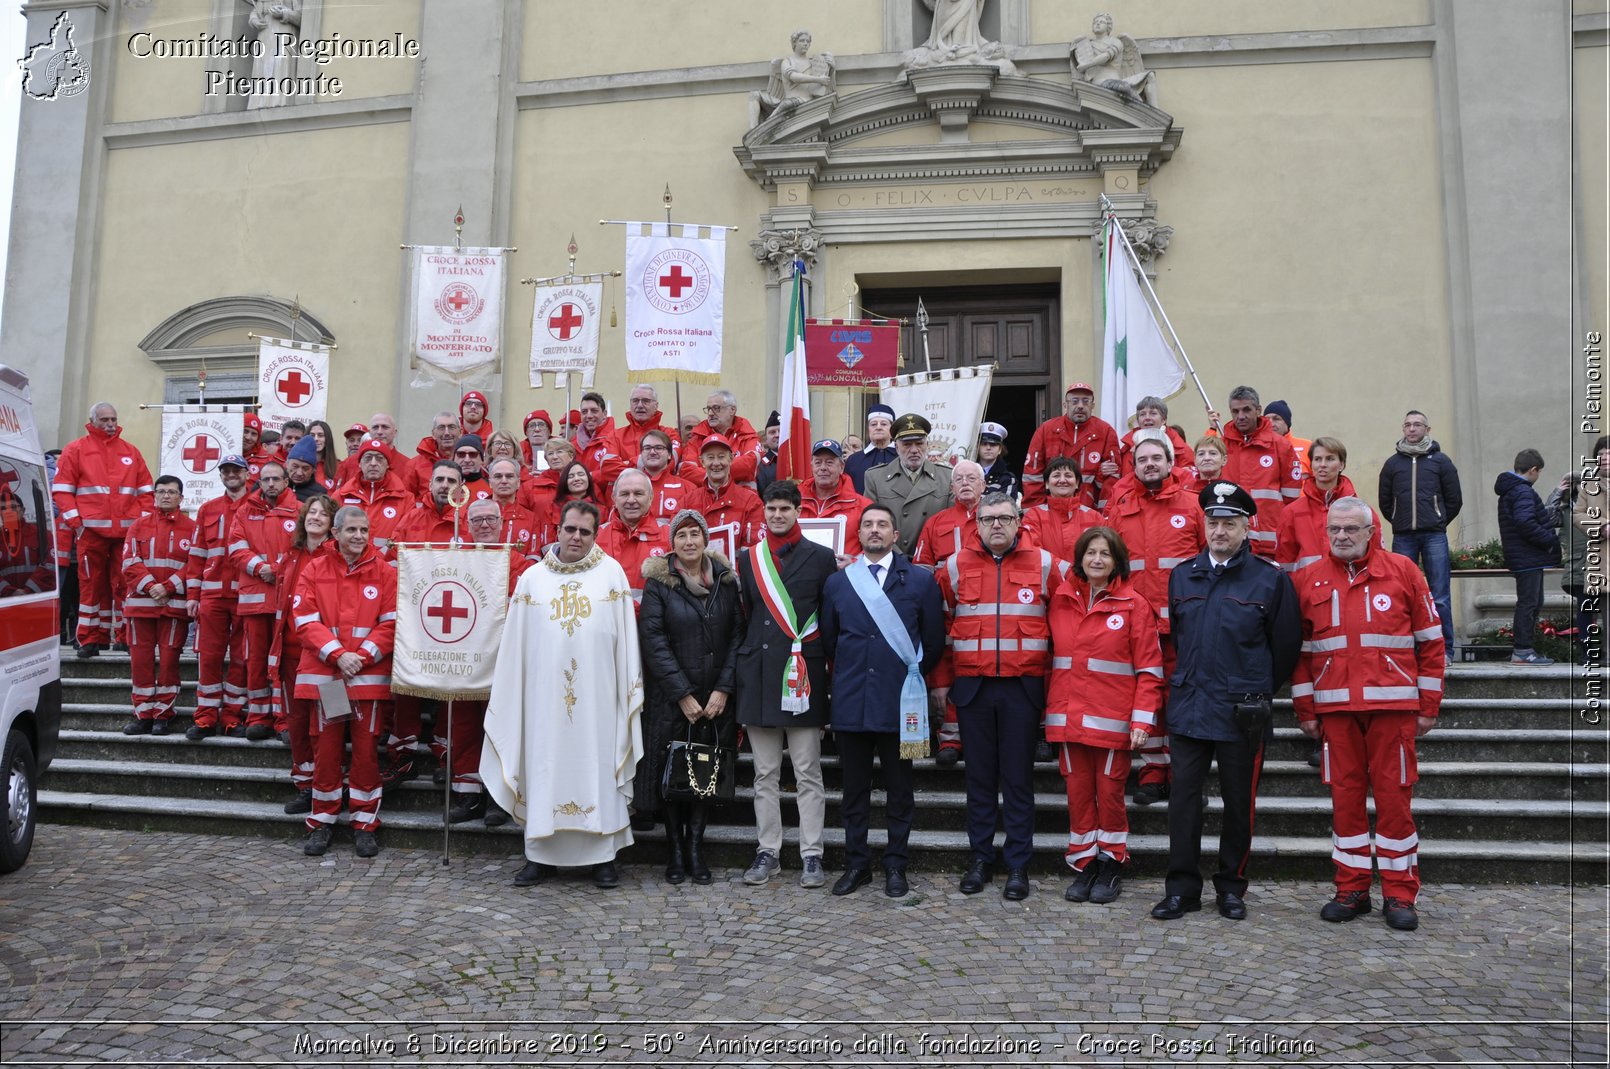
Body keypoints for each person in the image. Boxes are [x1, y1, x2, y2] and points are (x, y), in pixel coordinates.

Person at [1290, 497, 1443, 931]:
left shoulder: (1403, 571)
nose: (1341, 536)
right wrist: (1306, 708)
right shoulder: (1309, 579)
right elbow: (1299, 653)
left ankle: (1399, 895)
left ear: (1371, 532)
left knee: (1395, 802)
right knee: (1345, 802)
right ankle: (1351, 888)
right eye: (1334, 530)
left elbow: (1431, 643)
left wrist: (1428, 706)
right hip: (1335, 710)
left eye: (1351, 530)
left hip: (1393, 708)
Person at [1151, 481, 1299, 923]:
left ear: (1245, 526)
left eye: (1229, 523)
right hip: (1190, 707)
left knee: (1239, 805)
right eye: (1213, 522)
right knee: (1183, 804)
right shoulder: (1183, 575)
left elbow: (1286, 648)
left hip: (1242, 713)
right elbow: (1178, 638)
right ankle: (1182, 889)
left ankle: (1232, 888)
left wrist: (1252, 687)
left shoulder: (1269, 580)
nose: (1220, 531)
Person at [482, 499, 646, 889]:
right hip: (542, 702)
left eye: (585, 532)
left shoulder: (612, 575)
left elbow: (625, 642)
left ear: (595, 534)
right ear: (557, 529)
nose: (576, 537)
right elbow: (515, 647)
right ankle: (540, 856)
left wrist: (628, 691)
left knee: (599, 768)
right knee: (544, 768)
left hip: (599, 702)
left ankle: (603, 858)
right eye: (570, 529)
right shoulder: (532, 579)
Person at [933, 490, 1068, 901]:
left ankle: (1017, 865)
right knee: (978, 779)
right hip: (972, 689)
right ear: (975, 523)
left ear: (1019, 522)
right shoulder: (953, 567)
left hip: (1022, 690)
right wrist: (941, 682)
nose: (996, 525)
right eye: (988, 518)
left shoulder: (1047, 565)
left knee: (1017, 780)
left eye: (1004, 518)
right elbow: (940, 629)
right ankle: (979, 858)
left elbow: (1064, 632)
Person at [819, 505, 944, 898]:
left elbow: (935, 643)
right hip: (852, 701)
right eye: (868, 525)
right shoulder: (838, 584)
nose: (875, 531)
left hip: (900, 703)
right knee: (853, 791)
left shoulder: (921, 582)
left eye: (883, 525)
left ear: (896, 535)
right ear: (860, 533)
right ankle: (857, 864)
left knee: (900, 789)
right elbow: (829, 639)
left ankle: (895, 865)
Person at [1047, 526, 1164, 905]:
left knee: (1109, 796)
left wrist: (1142, 721)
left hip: (1112, 722)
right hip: (1067, 720)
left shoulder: (1134, 605)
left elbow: (1149, 669)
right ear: (1080, 558)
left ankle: (1111, 862)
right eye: (1090, 553)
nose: (1097, 560)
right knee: (1078, 795)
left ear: (1117, 561)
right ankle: (1084, 864)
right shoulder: (1060, 600)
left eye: (1105, 554)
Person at [735, 480, 837, 889]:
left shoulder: (822, 557)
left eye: (785, 509)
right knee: (764, 774)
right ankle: (769, 851)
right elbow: (745, 614)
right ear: (764, 511)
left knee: (809, 771)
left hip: (803, 675)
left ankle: (812, 855)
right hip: (758, 674)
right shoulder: (748, 559)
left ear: (798, 511)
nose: (777, 515)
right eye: (771, 509)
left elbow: (829, 621)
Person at [637, 509, 743, 884]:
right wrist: (681, 692)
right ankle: (675, 852)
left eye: (694, 534)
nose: (688, 542)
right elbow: (654, 642)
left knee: (704, 774)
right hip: (673, 699)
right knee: (672, 778)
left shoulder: (726, 582)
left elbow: (736, 638)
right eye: (680, 535)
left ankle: (696, 850)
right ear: (672, 543)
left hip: (715, 698)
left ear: (705, 539)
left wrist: (723, 689)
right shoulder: (659, 584)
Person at [1103, 435, 1205, 806]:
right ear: (1134, 465)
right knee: (1149, 700)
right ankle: (1153, 772)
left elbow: (1207, 563)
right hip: (1139, 624)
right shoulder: (1121, 506)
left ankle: (1185, 776)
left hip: (1185, 625)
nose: (1149, 464)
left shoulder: (1194, 506)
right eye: (1142, 459)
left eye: (1156, 458)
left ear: (1170, 462)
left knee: (1183, 700)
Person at [295, 505, 397, 859]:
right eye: (351, 530)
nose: (358, 536)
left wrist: (361, 656)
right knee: (327, 749)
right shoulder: (315, 568)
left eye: (364, 531)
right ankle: (322, 821)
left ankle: (365, 823)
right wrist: (339, 655)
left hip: (365, 678)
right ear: (335, 533)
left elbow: (391, 623)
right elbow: (305, 620)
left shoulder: (384, 572)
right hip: (331, 679)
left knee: (367, 752)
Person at [442, 498, 535, 823]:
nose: (484, 525)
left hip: (503, 661)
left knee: (501, 729)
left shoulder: (519, 563)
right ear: (466, 526)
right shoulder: (455, 561)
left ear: (501, 523)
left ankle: (499, 795)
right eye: (477, 519)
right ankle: (468, 795)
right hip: (464, 659)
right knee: (465, 727)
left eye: (490, 519)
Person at [51, 401, 154, 656]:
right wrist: (78, 525)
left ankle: (125, 636)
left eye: (113, 420)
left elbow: (146, 492)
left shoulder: (131, 451)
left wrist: (140, 526)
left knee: (125, 585)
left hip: (125, 534)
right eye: (104, 420)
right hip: (91, 533)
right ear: (93, 421)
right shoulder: (75, 450)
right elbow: (62, 491)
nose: (110, 425)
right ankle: (89, 639)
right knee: (90, 586)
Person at [268, 494, 336, 814]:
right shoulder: (292, 553)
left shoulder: (337, 554)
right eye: (311, 512)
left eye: (323, 513)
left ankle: (331, 782)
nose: (316, 517)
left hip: (330, 657)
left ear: (332, 522)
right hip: (292, 652)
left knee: (333, 720)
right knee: (296, 723)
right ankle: (305, 785)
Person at [1379, 410, 1463, 655]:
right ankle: (1405, 648)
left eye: (1417, 425)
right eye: (1407, 425)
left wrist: (1438, 520)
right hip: (1403, 536)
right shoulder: (1392, 464)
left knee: (1440, 595)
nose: (1412, 429)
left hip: (1434, 535)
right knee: (1402, 593)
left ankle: (1445, 650)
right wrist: (1398, 520)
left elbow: (1454, 499)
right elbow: (1385, 501)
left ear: (1428, 429)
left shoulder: (1441, 462)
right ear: (1403, 429)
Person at [119, 475, 197, 735]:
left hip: (173, 607)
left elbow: (194, 565)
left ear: (181, 497)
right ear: (154, 495)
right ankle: (143, 715)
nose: (166, 496)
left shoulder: (192, 528)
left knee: (168, 662)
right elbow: (129, 562)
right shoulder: (138, 526)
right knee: (140, 662)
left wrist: (169, 586)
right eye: (161, 491)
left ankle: (163, 715)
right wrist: (152, 586)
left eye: (171, 492)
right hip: (141, 606)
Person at [227, 461, 300, 739]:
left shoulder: (300, 510)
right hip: (256, 600)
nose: (270, 484)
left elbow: (304, 549)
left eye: (276, 479)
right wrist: (261, 569)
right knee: (256, 660)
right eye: (266, 479)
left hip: (287, 601)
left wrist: (278, 571)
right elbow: (236, 548)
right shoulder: (245, 512)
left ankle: (283, 719)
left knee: (284, 662)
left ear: (286, 482)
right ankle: (259, 716)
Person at [185, 454, 252, 739]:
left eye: (236, 470)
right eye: (226, 471)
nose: (230, 475)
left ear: (246, 474)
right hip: (212, 595)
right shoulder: (208, 509)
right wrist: (192, 594)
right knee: (209, 657)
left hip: (246, 595)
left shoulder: (257, 507)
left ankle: (232, 717)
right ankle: (205, 717)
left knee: (241, 658)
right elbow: (197, 553)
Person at [1218, 386, 1302, 559]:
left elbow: (1291, 499)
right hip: (1231, 541)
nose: (1240, 416)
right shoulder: (1221, 446)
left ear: (1258, 410)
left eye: (1246, 410)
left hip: (1271, 542)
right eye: (1235, 411)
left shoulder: (1280, 445)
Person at [1276, 437, 1383, 573]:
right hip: (1307, 590)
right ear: (1312, 464)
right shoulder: (1292, 512)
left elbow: (1378, 556)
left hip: (1351, 588)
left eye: (1330, 459)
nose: (1323, 464)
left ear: (1342, 465)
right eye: (1318, 459)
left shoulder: (1363, 512)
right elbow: (1285, 563)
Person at [1496, 448, 1561, 666]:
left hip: (1523, 557)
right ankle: (1523, 650)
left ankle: (1524, 649)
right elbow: (1525, 522)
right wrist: (1549, 540)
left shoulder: (1510, 489)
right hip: (1527, 557)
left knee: (1532, 601)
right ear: (1533, 470)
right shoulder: (1522, 491)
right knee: (1529, 603)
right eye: (1539, 472)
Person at [864, 413, 954, 557]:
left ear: (927, 445)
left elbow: (951, 524)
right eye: (906, 444)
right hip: (891, 559)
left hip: (932, 560)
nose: (913, 450)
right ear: (896, 447)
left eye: (919, 443)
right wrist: (898, 557)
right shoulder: (875, 477)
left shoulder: (947, 477)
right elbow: (871, 523)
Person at [1021, 382, 1119, 508]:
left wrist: (1105, 514)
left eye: (1085, 401)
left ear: (1092, 405)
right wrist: (1035, 511)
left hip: (1089, 511)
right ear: (1065, 405)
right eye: (1074, 401)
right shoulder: (1046, 430)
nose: (1080, 406)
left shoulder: (1105, 432)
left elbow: (1112, 480)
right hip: (1052, 509)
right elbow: (1032, 476)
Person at [597, 469, 671, 605]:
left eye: (638, 493)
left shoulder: (669, 535)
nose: (631, 500)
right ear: (614, 498)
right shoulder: (596, 535)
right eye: (624, 494)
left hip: (651, 621)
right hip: (608, 619)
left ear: (650, 498)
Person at [686, 435, 765, 552]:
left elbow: (754, 551)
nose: (716, 463)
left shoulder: (751, 502)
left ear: (731, 459)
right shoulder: (687, 501)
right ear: (702, 462)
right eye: (710, 457)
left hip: (736, 570)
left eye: (721, 457)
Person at [335, 439, 413, 555]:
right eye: (368, 458)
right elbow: (332, 534)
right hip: (347, 565)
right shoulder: (341, 495)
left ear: (388, 464)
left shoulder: (405, 499)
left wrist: (376, 560)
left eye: (379, 458)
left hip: (386, 568)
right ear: (360, 464)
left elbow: (404, 537)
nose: (373, 463)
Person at [1021, 456, 1105, 562]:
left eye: (1068, 476)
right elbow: (1033, 552)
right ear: (1047, 484)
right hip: (1048, 578)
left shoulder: (1095, 518)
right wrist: (1066, 571)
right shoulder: (1034, 516)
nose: (1062, 480)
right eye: (1056, 475)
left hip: (1085, 578)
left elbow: (1104, 553)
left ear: (1077, 483)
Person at [798, 438, 870, 561]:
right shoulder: (794, 502)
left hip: (846, 576)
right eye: (818, 462)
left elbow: (876, 546)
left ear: (841, 467)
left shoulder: (863, 506)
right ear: (811, 466)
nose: (823, 468)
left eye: (829, 462)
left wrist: (855, 562)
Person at [679, 390, 765, 486]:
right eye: (709, 409)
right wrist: (717, 475)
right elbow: (687, 470)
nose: (710, 413)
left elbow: (749, 464)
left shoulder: (747, 435)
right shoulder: (697, 437)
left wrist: (712, 473)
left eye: (716, 408)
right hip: (706, 497)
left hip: (741, 498)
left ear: (732, 410)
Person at [913, 460, 986, 567]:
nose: (965, 483)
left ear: (983, 485)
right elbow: (922, 566)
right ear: (952, 488)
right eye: (958, 479)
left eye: (971, 478)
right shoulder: (935, 522)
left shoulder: (995, 519)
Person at [609, 384, 682, 472]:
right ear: (630, 404)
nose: (639, 405)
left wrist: (628, 463)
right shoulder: (615, 436)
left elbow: (669, 464)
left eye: (645, 401)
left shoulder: (670, 434)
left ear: (656, 406)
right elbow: (608, 469)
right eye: (635, 401)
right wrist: (650, 465)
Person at [1116, 396, 1195, 477]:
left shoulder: (1178, 444)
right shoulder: (1128, 447)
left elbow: (1188, 476)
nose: (1147, 418)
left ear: (1163, 420)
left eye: (1153, 413)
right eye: (1142, 414)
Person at [634, 429, 695, 521]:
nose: (652, 452)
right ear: (641, 454)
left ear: (670, 455)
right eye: (647, 448)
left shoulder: (688, 488)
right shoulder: (630, 487)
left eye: (658, 448)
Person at [574, 391, 627, 496]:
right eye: (584, 412)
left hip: (607, 501)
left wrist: (588, 476)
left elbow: (619, 472)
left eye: (594, 411)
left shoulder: (617, 439)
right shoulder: (573, 444)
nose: (589, 415)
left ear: (604, 414)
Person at [844, 403, 898, 493]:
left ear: (892, 429)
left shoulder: (901, 457)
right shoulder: (854, 460)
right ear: (868, 429)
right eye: (873, 424)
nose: (878, 427)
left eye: (884, 424)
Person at [405, 411, 461, 496]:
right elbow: (407, 500)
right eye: (441, 428)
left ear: (460, 432)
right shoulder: (414, 465)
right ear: (433, 434)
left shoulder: (469, 461)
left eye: (451, 427)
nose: (446, 433)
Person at [1264, 401, 1311, 478]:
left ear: (1287, 423)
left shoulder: (1307, 447)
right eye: (1266, 419)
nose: (1271, 423)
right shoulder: (1258, 448)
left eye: (1276, 419)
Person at [976, 422, 1018, 499]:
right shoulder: (967, 474)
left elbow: (1006, 507)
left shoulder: (1008, 479)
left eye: (993, 444)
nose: (988, 447)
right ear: (977, 448)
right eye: (984, 444)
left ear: (1000, 450)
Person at [284, 436, 324, 502]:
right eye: (295, 466)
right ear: (286, 464)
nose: (299, 473)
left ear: (313, 470)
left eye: (305, 468)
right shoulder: (276, 485)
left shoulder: (320, 495)